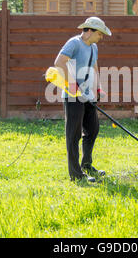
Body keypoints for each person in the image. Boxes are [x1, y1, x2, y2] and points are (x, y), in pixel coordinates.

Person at [53, 17, 112, 183]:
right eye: (100, 34)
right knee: (74, 134)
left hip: (87, 95)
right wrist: (72, 85)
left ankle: (86, 164)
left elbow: (94, 67)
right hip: (72, 96)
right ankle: (76, 174)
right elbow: (59, 62)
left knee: (92, 129)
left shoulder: (94, 47)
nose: (101, 37)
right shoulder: (74, 43)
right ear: (90, 31)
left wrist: (98, 87)